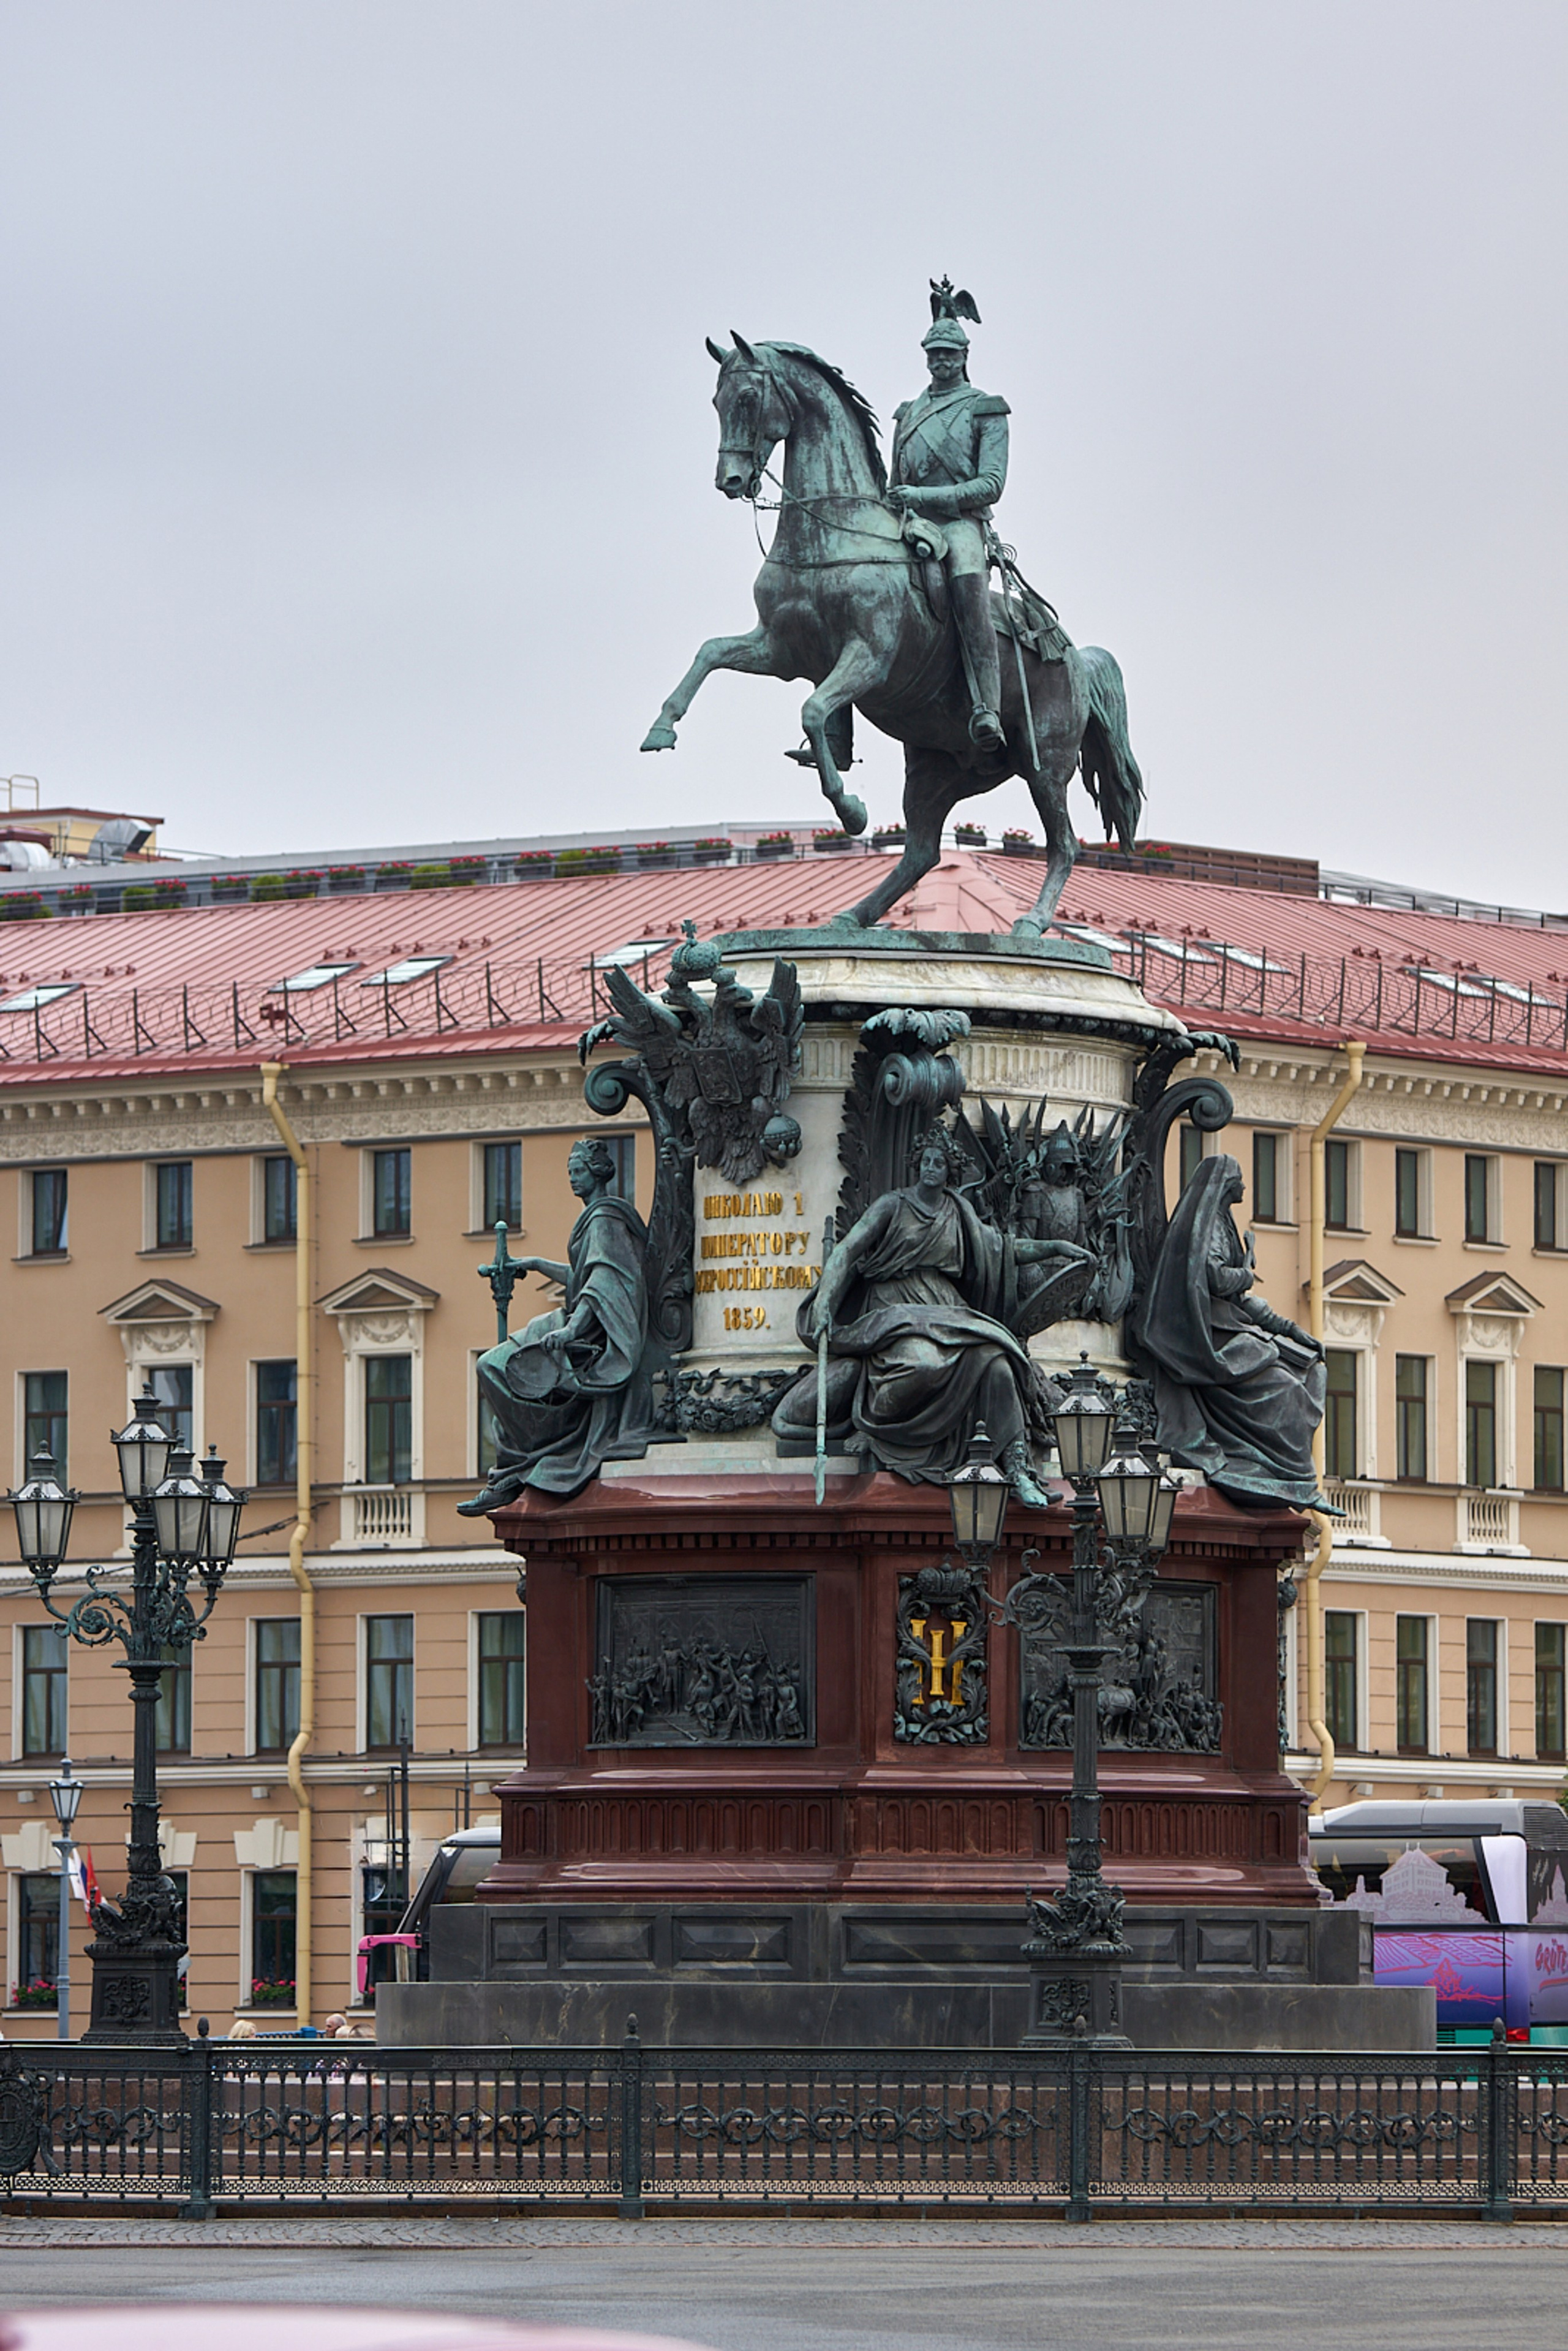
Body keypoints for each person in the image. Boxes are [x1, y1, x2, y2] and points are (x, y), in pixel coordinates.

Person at [772, 1123, 1082, 1504]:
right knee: (922, 1364)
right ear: (917, 1165)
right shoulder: (893, 1205)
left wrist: (1056, 1246)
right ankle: (880, 1428)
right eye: (925, 1161)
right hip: (895, 1308)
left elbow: (1003, 1248)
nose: (931, 1167)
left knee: (998, 1361)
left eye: (939, 1162)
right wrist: (824, 1304)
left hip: (947, 1309)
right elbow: (848, 1250)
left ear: (950, 1170)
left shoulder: (959, 1211)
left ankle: (1017, 1469)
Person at [461, 1135, 655, 1508]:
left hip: (587, 1338)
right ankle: (519, 1462)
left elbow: (602, 1284)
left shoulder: (605, 1218)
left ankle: (523, 1459)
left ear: (597, 1174)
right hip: (577, 1326)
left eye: (579, 1171)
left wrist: (571, 1331)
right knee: (494, 1369)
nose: (573, 1179)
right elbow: (583, 1276)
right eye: (570, 1172)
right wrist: (534, 1264)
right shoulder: (596, 1220)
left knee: (491, 1366)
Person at [1140, 1152, 1329, 1511]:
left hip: (1231, 1325)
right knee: (1287, 1388)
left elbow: (1243, 1301)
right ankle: (1293, 1476)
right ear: (1227, 1185)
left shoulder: (1223, 1222)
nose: (1245, 1185)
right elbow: (1213, 1277)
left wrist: (1292, 1331)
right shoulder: (1210, 1224)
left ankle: (1294, 1478)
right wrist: (1244, 1274)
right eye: (1240, 1178)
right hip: (1208, 1335)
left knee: (1309, 1370)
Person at [886, 281, 1009, 749]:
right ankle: (839, 731)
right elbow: (895, 481)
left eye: (948, 354)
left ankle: (987, 707)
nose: (940, 361)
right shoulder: (907, 413)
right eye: (933, 354)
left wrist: (922, 494)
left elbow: (990, 484)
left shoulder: (985, 410)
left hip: (961, 524)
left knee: (969, 589)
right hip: (911, 523)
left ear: (963, 356)